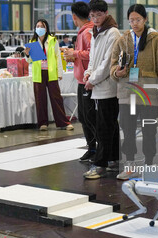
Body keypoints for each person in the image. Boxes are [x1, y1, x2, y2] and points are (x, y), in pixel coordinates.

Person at [110, 4, 158, 180]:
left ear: (145, 19)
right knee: (127, 131)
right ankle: (129, 165)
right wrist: (117, 72)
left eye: (137, 19)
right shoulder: (123, 40)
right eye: (131, 20)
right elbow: (113, 65)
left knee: (149, 131)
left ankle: (149, 164)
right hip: (126, 93)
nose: (134, 23)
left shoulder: (155, 40)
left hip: (149, 94)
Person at [82, 0, 121, 179]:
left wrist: (93, 79)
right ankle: (113, 158)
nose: (95, 18)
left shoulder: (113, 33)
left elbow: (107, 63)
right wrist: (88, 73)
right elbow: (93, 58)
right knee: (108, 124)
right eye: (92, 16)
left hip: (108, 86)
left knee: (104, 126)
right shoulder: (96, 32)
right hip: (97, 84)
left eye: (98, 15)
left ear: (106, 13)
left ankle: (100, 164)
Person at [24, 19, 73, 131]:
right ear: (35, 28)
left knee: (56, 98)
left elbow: (57, 58)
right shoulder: (33, 41)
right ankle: (43, 123)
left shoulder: (53, 40)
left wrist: (59, 73)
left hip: (51, 73)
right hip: (38, 73)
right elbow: (30, 61)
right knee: (40, 98)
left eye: (42, 26)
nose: (40, 28)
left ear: (46, 28)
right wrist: (27, 55)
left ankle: (63, 122)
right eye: (38, 26)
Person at [64, 1, 96, 162]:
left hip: (88, 80)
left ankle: (95, 148)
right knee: (84, 117)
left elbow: (92, 54)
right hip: (81, 79)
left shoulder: (87, 32)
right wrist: (73, 55)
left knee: (89, 117)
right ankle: (91, 148)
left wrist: (75, 53)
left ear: (75, 17)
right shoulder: (84, 31)